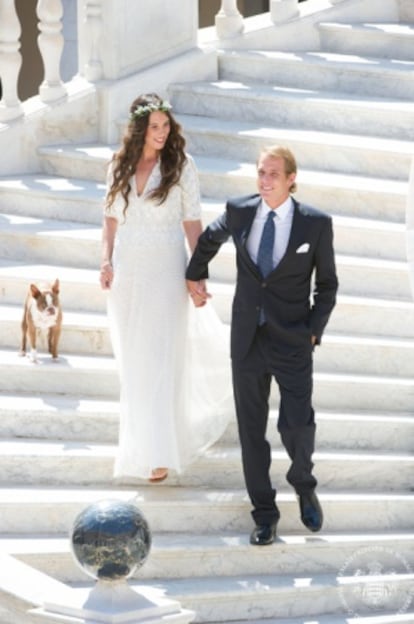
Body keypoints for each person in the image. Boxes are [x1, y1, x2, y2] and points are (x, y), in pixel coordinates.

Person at [186, 145, 338, 545]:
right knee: (252, 433)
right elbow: (208, 239)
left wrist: (313, 329)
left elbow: (327, 285)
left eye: (273, 174)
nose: (265, 181)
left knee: (297, 424)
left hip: (292, 340)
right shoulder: (240, 211)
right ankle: (265, 516)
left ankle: (303, 483)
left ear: (291, 178)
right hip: (248, 340)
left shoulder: (315, 224)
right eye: (261, 173)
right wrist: (194, 274)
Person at [100, 93, 230, 483]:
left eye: (165, 125)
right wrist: (105, 260)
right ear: (140, 128)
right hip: (128, 273)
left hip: (165, 269)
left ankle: (160, 453)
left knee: (160, 359)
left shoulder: (181, 166)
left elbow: (193, 223)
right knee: (135, 362)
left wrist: (198, 274)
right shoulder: (119, 164)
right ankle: (142, 447)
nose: (161, 133)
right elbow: (109, 217)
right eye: (154, 126)